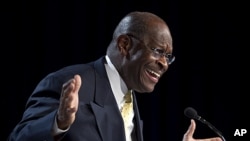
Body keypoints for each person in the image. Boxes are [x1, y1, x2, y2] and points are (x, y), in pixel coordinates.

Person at [8, 11, 222, 141]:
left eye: (168, 56)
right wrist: (59, 122)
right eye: (158, 51)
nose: (164, 64)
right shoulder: (70, 83)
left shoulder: (129, 99)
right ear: (125, 45)